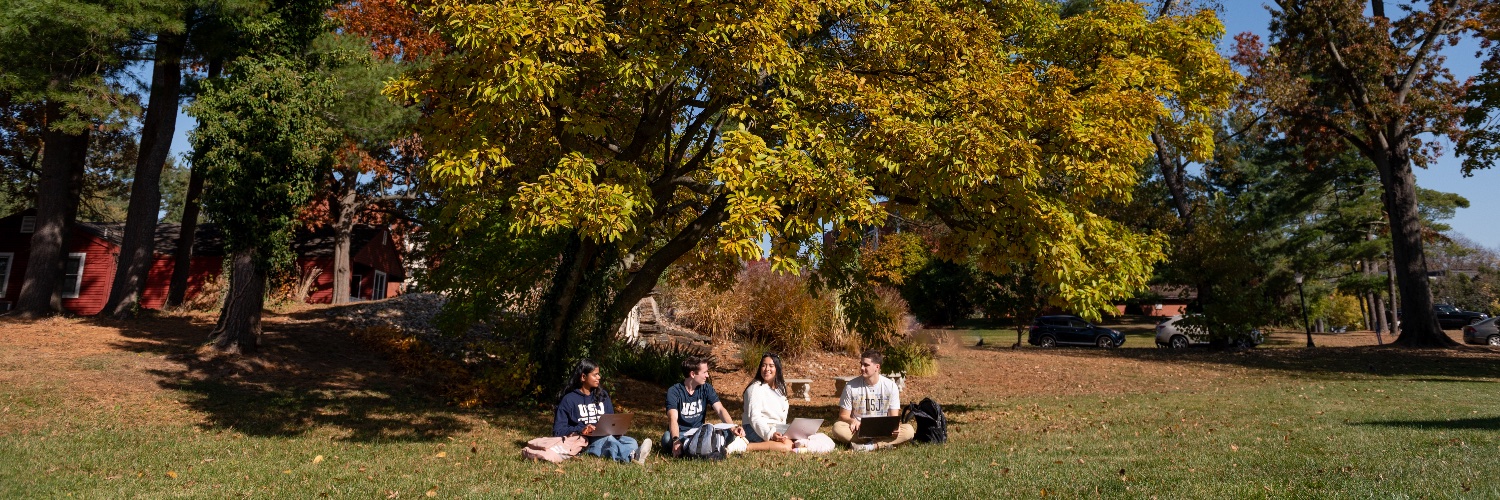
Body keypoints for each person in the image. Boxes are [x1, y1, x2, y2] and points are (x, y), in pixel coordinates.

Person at [554, 359, 651, 464]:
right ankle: (631, 456)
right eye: (595, 375)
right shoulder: (569, 399)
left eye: (598, 374)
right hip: (585, 441)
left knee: (631, 441)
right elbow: (557, 431)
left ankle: (630, 452)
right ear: (583, 377)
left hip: (606, 436)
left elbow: (611, 420)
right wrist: (581, 429)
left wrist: (617, 430)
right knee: (609, 442)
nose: (599, 377)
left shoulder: (602, 395)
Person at [742, 352, 833, 453]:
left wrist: (788, 432)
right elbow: (754, 417)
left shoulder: (779, 390)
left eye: (771, 366)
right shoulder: (755, 388)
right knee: (786, 445)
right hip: (756, 429)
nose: (767, 369)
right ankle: (747, 446)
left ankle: (798, 447)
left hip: (777, 429)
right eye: (764, 365)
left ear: (777, 369)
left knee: (823, 439)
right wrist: (771, 434)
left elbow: (781, 418)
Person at [663, 355, 748, 456]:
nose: (707, 375)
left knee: (729, 433)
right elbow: (673, 418)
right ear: (693, 374)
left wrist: (733, 427)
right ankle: (710, 447)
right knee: (667, 438)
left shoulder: (706, 388)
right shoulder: (674, 391)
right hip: (682, 434)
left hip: (700, 433)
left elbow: (720, 410)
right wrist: (676, 440)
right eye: (704, 372)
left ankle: (693, 448)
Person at [832, 350, 914, 451]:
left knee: (909, 430)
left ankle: (869, 446)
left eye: (866, 365)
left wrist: (895, 428)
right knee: (837, 428)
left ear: (877, 367)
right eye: (861, 364)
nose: (862, 368)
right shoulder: (851, 386)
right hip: (859, 430)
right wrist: (852, 421)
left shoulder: (890, 386)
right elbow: (843, 416)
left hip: (883, 430)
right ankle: (881, 444)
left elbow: (893, 417)